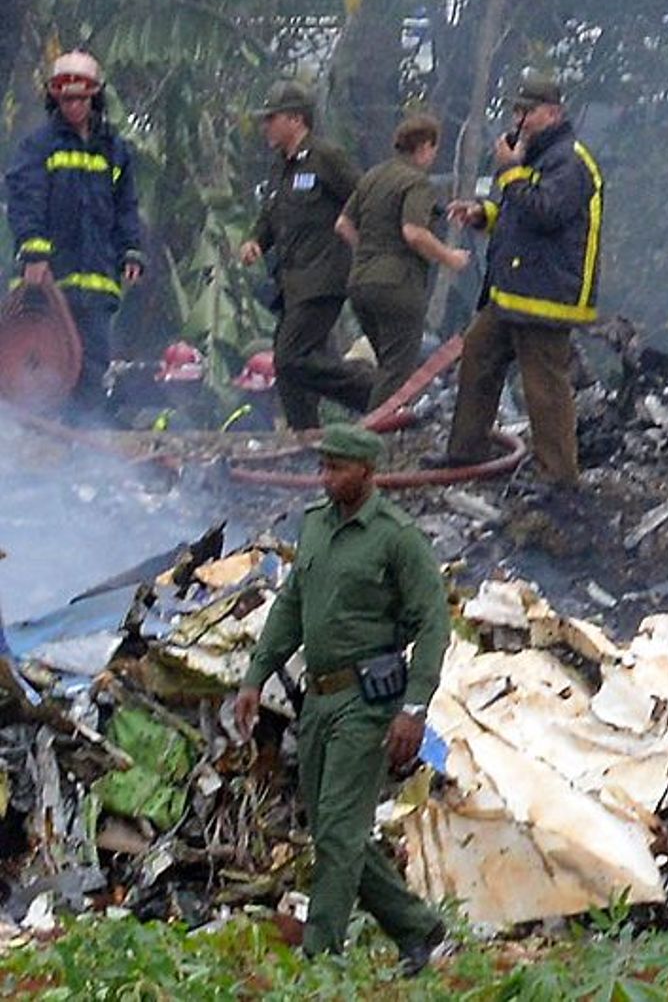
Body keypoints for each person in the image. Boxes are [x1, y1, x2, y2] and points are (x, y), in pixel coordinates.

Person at [231, 425, 448, 972]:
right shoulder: (314, 527)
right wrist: (256, 676)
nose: (325, 478)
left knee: (337, 830)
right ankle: (419, 927)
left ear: (367, 473)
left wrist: (413, 710)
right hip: (318, 699)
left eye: (337, 469)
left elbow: (434, 624)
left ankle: (320, 957)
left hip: (369, 702)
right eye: (322, 467)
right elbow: (290, 608)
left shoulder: (396, 537)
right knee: (337, 830)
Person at [437, 75, 604, 489]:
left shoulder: (570, 161)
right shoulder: (535, 157)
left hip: (546, 297)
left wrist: (510, 173)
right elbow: (519, 218)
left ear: (554, 113)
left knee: (543, 387)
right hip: (512, 293)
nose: (519, 119)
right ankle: (465, 451)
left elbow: (546, 213)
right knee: (477, 355)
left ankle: (559, 476)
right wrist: (483, 215)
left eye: (528, 111)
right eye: (516, 111)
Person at [5, 50, 144, 419]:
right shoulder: (39, 146)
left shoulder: (115, 150)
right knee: (46, 369)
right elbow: (25, 200)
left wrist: (131, 250)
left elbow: (126, 207)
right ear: (54, 97)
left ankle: (83, 455)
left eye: (80, 98)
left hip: (98, 284)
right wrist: (34, 254)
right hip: (53, 283)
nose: (72, 106)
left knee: (91, 369)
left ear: (94, 96)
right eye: (65, 99)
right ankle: (43, 448)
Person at [238, 80, 372, 430]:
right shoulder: (281, 167)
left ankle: (376, 395)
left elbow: (364, 198)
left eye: (272, 118)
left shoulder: (326, 158)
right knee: (291, 369)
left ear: (296, 120)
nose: (266, 126)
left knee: (290, 357)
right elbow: (271, 215)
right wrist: (256, 241)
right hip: (291, 282)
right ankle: (306, 440)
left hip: (322, 277)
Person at [335, 113, 470, 408]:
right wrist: (451, 258)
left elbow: (343, 224)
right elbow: (413, 232)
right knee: (397, 374)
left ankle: (369, 433)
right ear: (424, 147)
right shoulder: (417, 182)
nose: (434, 157)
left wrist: (370, 252)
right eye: (434, 149)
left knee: (388, 367)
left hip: (361, 283)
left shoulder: (373, 176)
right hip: (398, 287)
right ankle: (375, 442)